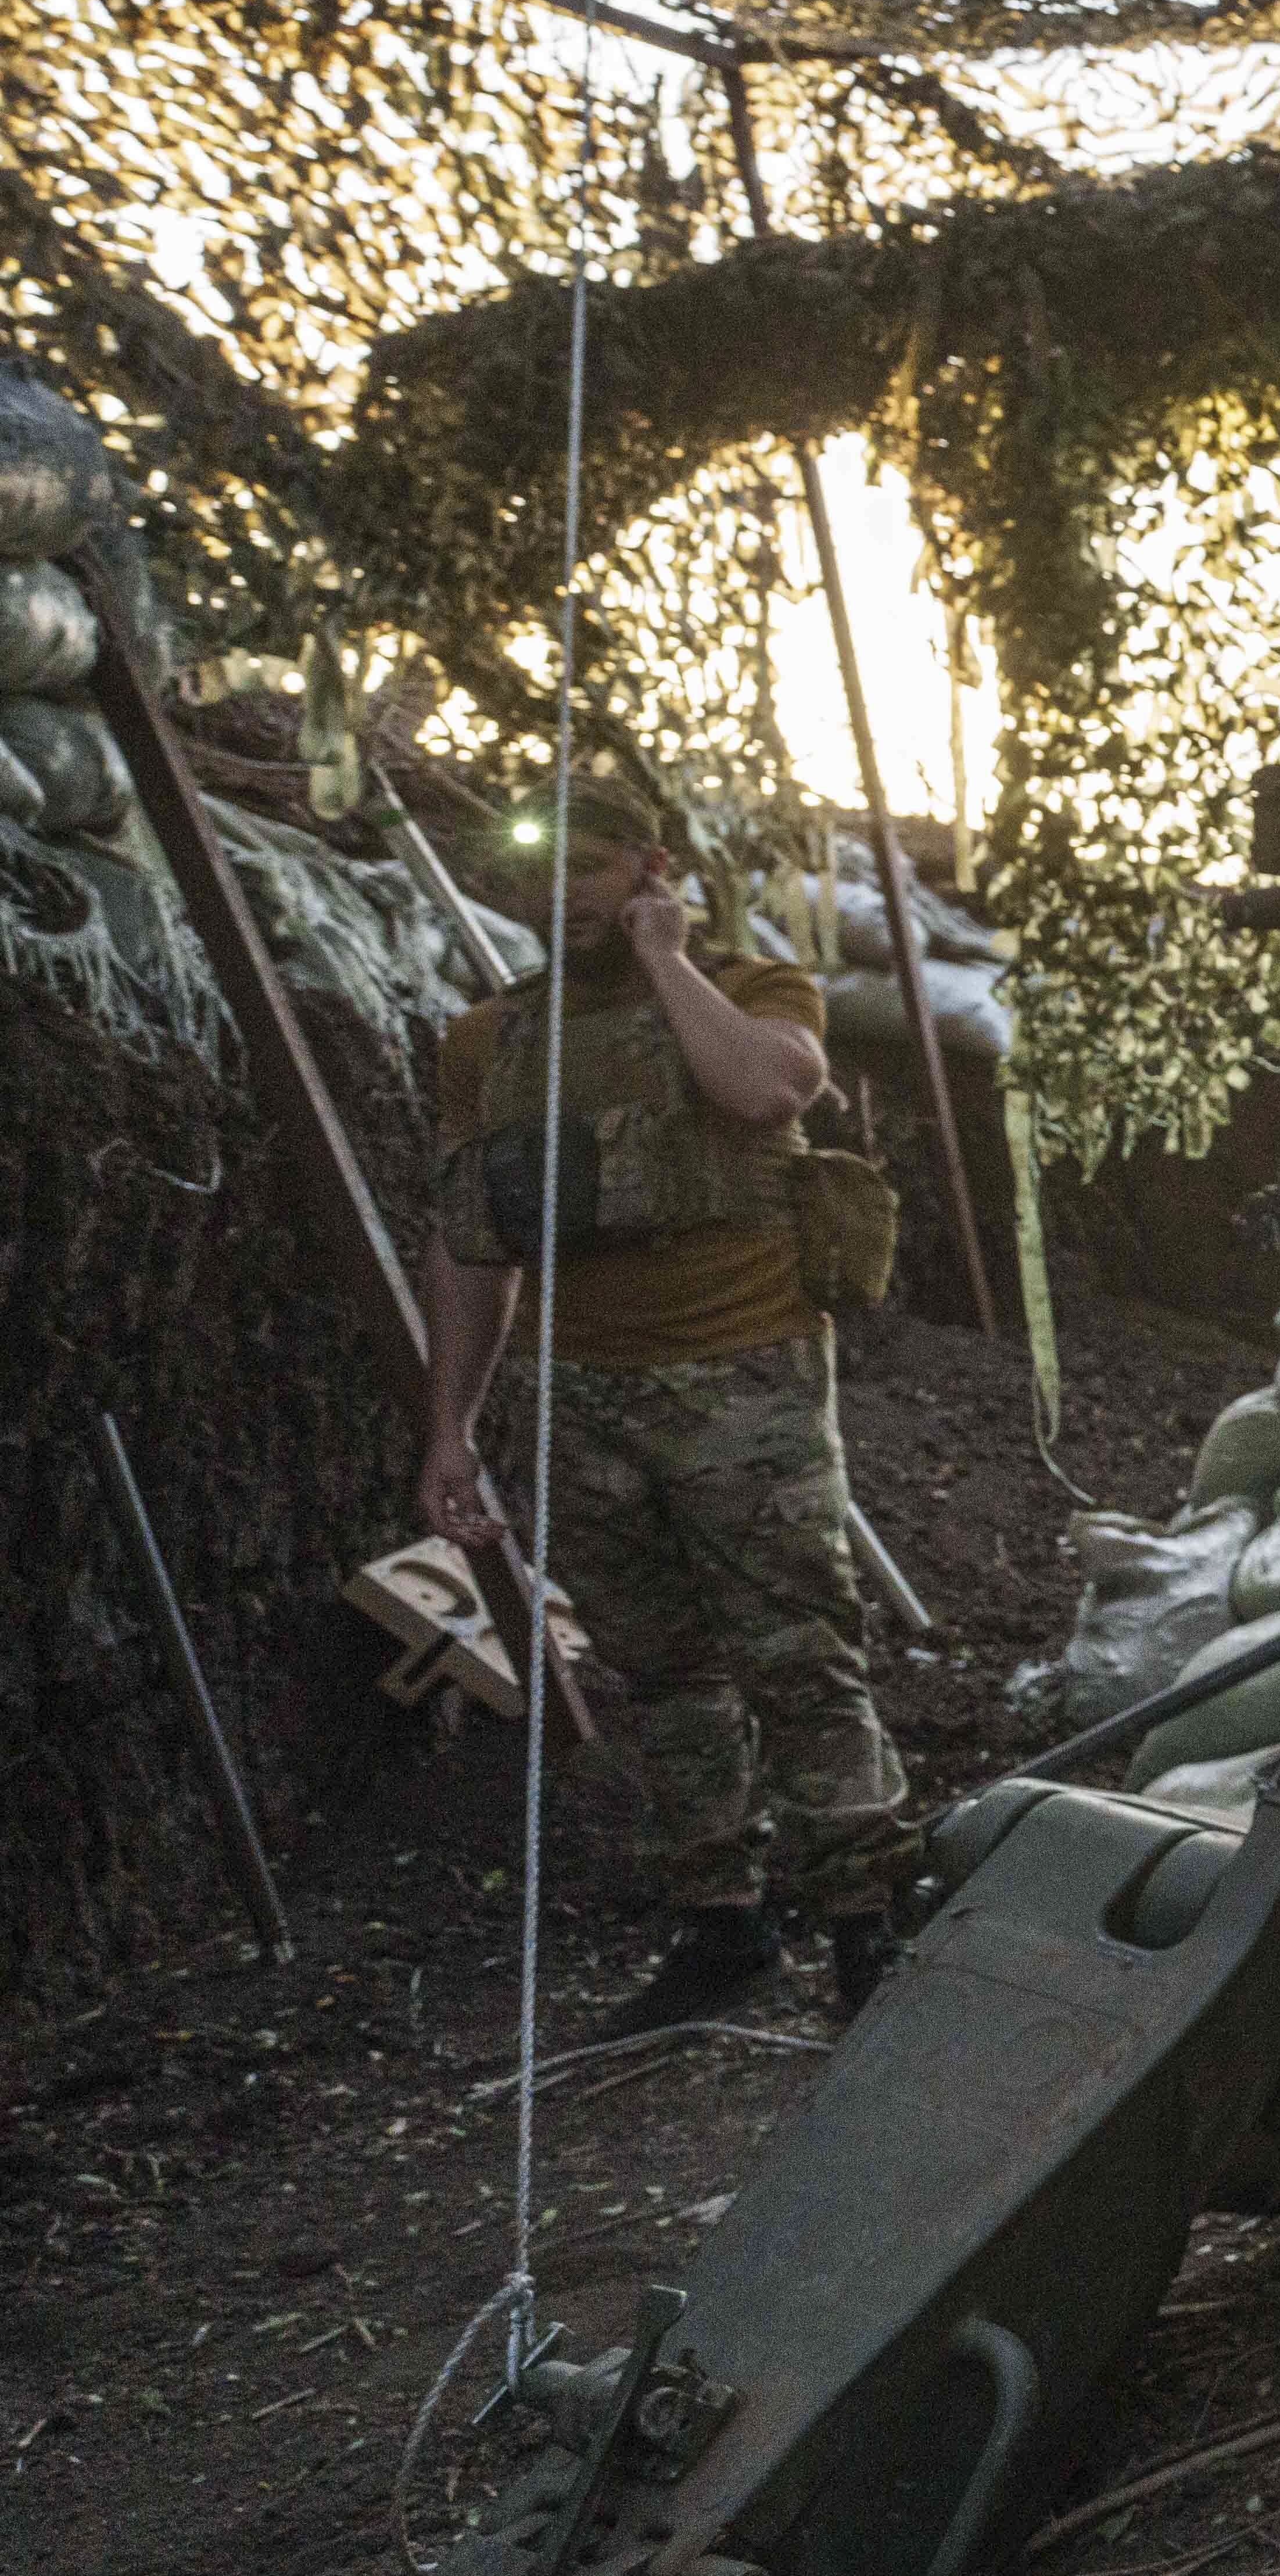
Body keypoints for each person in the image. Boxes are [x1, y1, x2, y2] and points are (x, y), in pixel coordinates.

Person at [419, 769, 910, 2035]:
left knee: (800, 1656)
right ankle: (722, 1923)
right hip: (586, 1397)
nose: (557, 895)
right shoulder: (489, 1040)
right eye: (536, 873)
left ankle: (866, 1924)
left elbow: (768, 1091)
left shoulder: (751, 987)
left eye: (585, 869)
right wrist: (450, 1428)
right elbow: (473, 1249)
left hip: (744, 1375)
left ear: (650, 872)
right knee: (662, 1673)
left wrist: (665, 959)